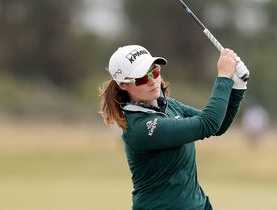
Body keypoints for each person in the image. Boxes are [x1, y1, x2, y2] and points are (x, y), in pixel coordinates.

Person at [99, 45, 247, 210]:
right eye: (141, 79)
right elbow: (208, 123)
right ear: (123, 84)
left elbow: (218, 126)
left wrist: (237, 87)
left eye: (154, 72)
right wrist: (224, 77)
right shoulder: (141, 128)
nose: (151, 81)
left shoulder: (169, 105)